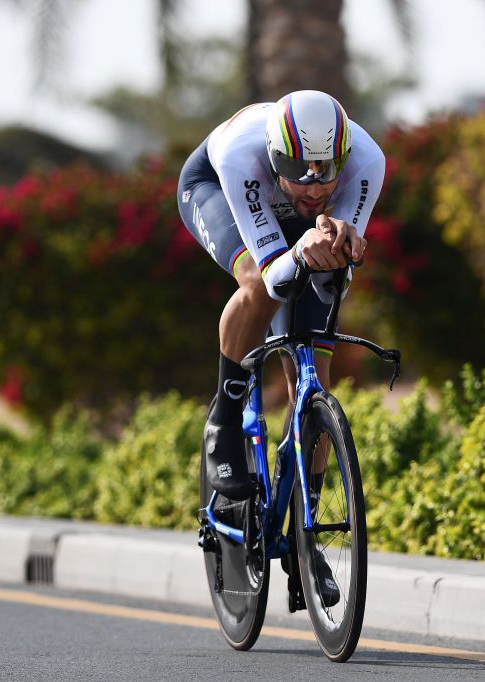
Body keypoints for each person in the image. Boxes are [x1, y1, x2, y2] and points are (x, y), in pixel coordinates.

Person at [177, 90, 386, 506]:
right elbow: (275, 279)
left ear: (342, 158)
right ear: (274, 156)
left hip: (296, 224)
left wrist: (341, 253)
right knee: (256, 282)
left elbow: (335, 276)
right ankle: (226, 418)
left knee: (314, 381)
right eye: (296, 169)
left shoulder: (367, 162)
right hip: (215, 187)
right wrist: (301, 248)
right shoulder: (243, 156)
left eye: (325, 170)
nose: (313, 185)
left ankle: (307, 545)